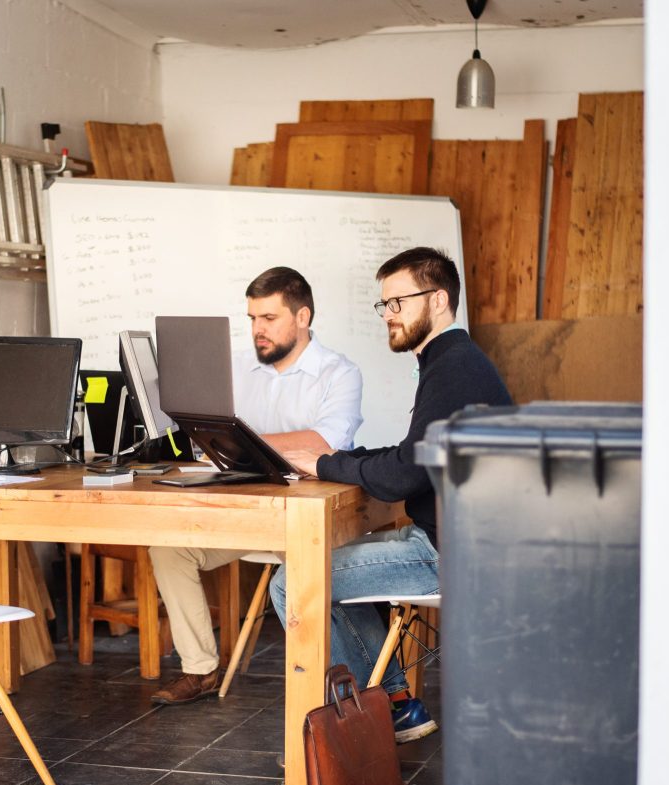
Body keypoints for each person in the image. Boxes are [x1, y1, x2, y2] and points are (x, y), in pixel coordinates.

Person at [272, 246, 512, 742]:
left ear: (439, 300)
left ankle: (368, 718)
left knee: (294, 580)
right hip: (453, 541)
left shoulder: (454, 368)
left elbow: (405, 475)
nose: (389, 315)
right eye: (385, 304)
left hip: (450, 553)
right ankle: (396, 705)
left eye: (399, 302)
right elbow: (414, 452)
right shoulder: (452, 361)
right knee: (323, 565)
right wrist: (342, 458)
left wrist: (326, 464)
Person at [147, 266, 363, 706]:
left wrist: (245, 440)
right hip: (248, 512)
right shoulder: (238, 369)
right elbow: (211, 434)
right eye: (251, 319)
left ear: (302, 317)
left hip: (309, 517)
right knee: (168, 549)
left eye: (268, 318)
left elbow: (324, 442)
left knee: (305, 570)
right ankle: (201, 670)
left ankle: (327, 686)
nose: (257, 330)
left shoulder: (339, 372)